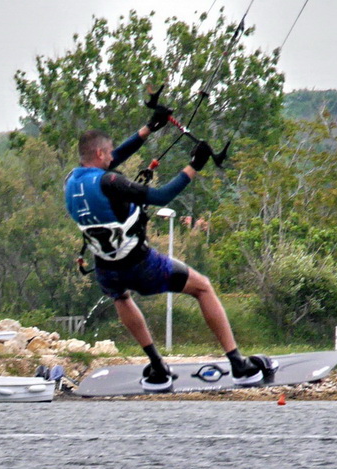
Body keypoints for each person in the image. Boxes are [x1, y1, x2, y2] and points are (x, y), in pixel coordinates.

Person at [64, 106, 266, 390]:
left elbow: (114, 160)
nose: (112, 157)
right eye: (108, 153)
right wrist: (194, 166)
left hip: (106, 269)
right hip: (140, 265)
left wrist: (148, 129)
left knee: (121, 298)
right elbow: (160, 196)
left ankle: (158, 367)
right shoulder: (111, 182)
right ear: (99, 155)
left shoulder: (72, 181)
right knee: (203, 287)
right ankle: (238, 364)